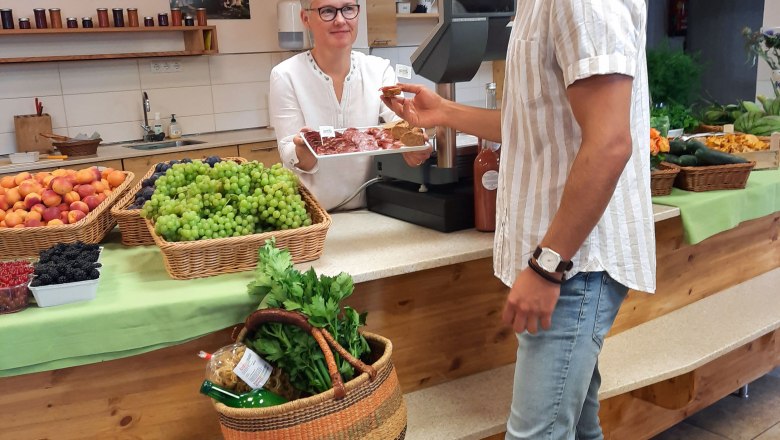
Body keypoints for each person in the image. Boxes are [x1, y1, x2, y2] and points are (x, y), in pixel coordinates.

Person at [381, 0, 655, 438]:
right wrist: (445, 114)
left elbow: (609, 144)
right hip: (565, 262)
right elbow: (536, 123)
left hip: (575, 266)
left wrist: (547, 266)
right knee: (579, 428)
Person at [269, 0, 429, 211]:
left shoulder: (379, 70)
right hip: (311, 217)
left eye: (348, 9)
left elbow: (401, 124)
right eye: (327, 11)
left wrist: (416, 144)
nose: (340, 20)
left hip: (371, 212)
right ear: (305, 18)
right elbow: (289, 151)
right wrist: (302, 151)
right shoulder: (286, 75)